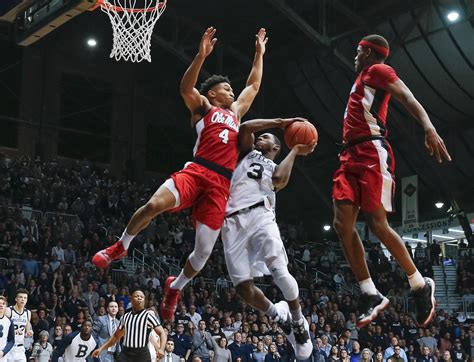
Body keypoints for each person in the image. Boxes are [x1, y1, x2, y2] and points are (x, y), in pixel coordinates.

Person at [92, 26, 268, 322]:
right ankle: (120, 246)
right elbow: (186, 88)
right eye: (226, 88)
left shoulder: (236, 113)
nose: (232, 91)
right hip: (197, 171)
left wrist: (259, 54)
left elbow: (253, 85)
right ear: (213, 92)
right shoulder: (203, 107)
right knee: (153, 205)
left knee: (202, 254)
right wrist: (200, 57)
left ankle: (175, 287)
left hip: (221, 185)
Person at [332, 34, 451, 328]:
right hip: (349, 155)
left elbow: (407, 97)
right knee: (341, 225)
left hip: (372, 150)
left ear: (371, 53)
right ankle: (370, 292)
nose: (355, 55)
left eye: (359, 50)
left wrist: (428, 127)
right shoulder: (361, 78)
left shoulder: (378, 71)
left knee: (377, 223)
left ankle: (419, 284)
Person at [220, 118, 315, 360]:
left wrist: (294, 150)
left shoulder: (276, 166)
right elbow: (246, 128)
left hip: (261, 215)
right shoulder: (246, 153)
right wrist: (280, 122)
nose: (261, 138)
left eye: (267, 138)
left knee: (279, 270)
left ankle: (297, 321)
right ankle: (278, 315)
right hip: (231, 221)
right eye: (261, 137)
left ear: (275, 148)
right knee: (243, 289)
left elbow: (279, 182)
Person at [92, 290, 166, 361]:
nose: (139, 298)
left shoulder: (148, 316)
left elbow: (162, 333)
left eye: (142, 297)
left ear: (144, 301)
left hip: (141, 353)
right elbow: (116, 336)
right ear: (131, 299)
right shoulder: (125, 317)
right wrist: (101, 348)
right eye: (137, 296)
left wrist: (162, 349)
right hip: (126, 353)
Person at [5, 289, 32, 362]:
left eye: (25, 298)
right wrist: (13, 332)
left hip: (20, 348)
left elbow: (27, 331)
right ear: (16, 299)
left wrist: (29, 333)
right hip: (8, 347)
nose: (23, 299)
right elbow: (3, 328)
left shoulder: (28, 313)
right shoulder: (8, 310)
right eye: (20, 297)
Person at [0, 296, 15, 362]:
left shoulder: (9, 321)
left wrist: (4, 352)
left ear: (6, 306)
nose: (1, 305)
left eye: (3, 303)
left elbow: (11, 340)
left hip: (2, 356)